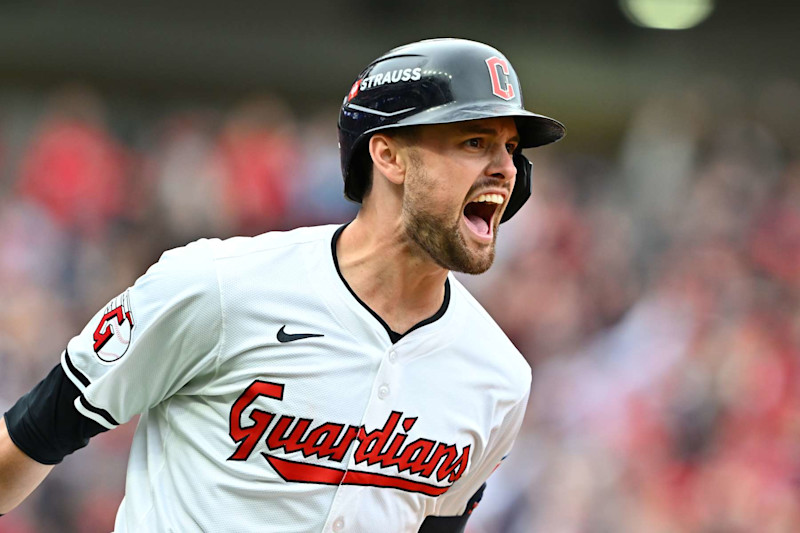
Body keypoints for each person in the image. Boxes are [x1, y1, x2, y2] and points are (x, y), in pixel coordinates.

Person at [0, 38, 564, 532]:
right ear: (388, 154)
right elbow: (31, 435)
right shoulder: (218, 286)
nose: (506, 169)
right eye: (474, 142)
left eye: (511, 148)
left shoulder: (500, 377)